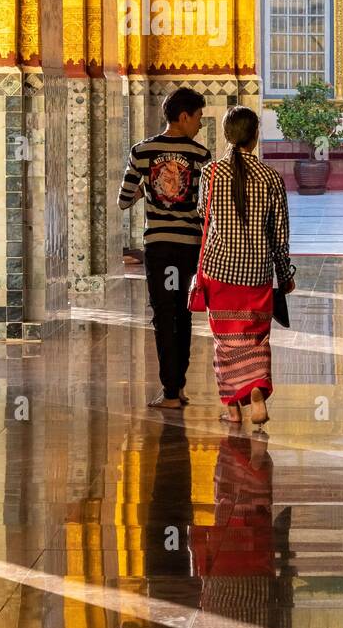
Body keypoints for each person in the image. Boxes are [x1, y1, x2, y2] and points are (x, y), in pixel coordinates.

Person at [197, 106, 295, 427]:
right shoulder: (271, 177)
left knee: (225, 341)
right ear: (255, 136)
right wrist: (285, 275)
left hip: (220, 272)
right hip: (257, 273)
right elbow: (279, 233)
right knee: (255, 337)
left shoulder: (210, 173)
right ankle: (256, 393)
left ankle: (232, 408)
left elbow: (204, 217)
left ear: (227, 135)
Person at [118, 87, 210, 409]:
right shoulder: (201, 156)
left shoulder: (141, 151)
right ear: (183, 117)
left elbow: (123, 200)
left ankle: (170, 391)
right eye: (198, 117)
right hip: (188, 248)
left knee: (163, 314)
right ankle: (177, 386)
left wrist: (147, 190)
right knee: (183, 314)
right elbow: (206, 208)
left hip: (158, 247)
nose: (199, 124)